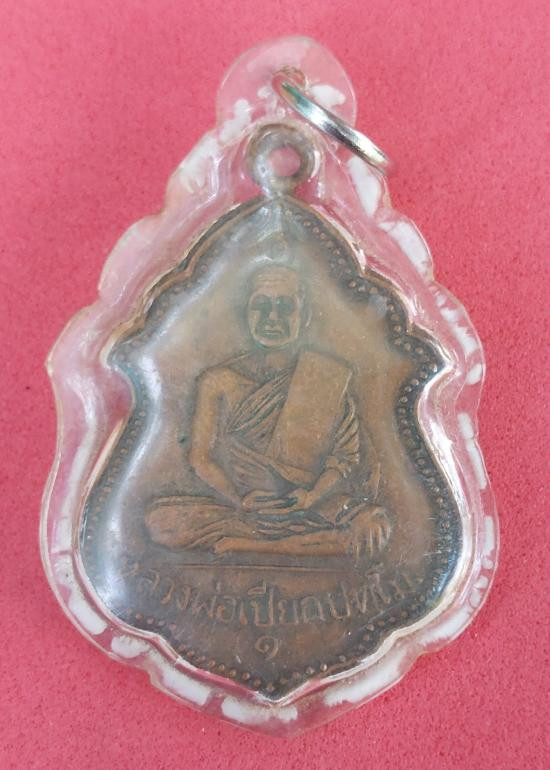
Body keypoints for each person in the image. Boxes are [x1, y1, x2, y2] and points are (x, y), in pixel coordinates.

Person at [146, 263, 391, 559]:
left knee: (373, 527)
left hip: (307, 507)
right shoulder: (218, 381)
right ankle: (290, 544)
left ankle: (257, 545)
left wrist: (311, 496)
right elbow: (200, 459)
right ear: (246, 314)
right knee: (159, 523)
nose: (272, 318)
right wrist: (239, 499)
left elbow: (344, 458)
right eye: (261, 306)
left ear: (304, 317)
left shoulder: (327, 378)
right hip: (242, 506)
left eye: (285, 307)